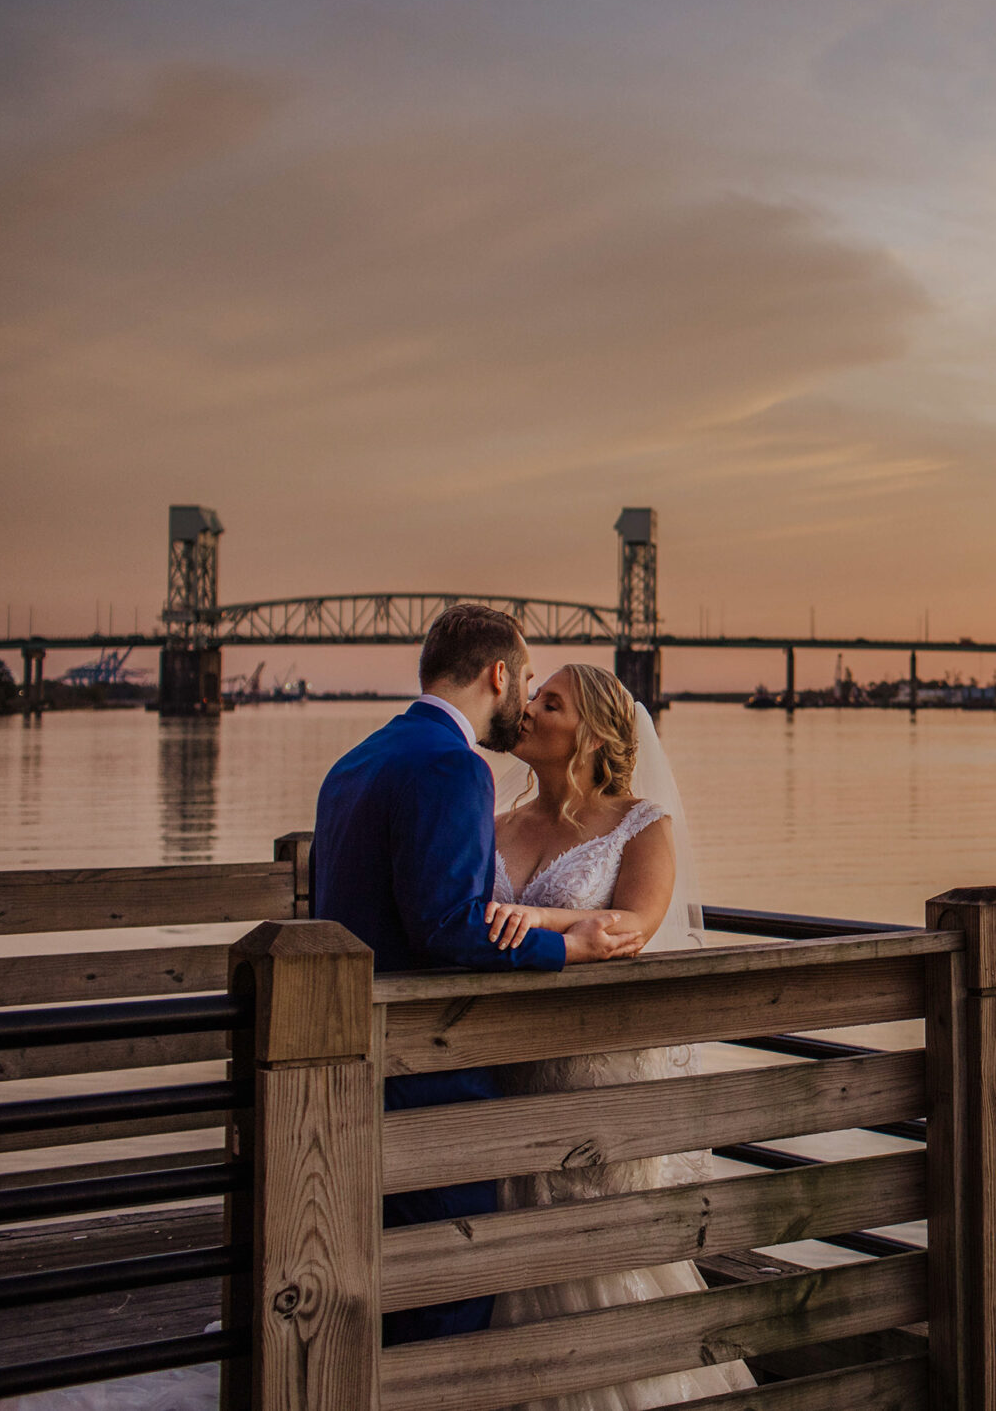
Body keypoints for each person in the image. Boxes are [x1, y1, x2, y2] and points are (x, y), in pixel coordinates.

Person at [314, 604, 646, 1344]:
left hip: (344, 1062)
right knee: (448, 1290)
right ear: (498, 675)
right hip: (428, 1075)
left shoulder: (356, 762)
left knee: (374, 1283)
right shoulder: (453, 766)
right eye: (527, 681)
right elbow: (444, 925)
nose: (526, 701)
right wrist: (568, 948)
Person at [477, 662, 749, 1410]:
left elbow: (632, 926)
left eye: (549, 702)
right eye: (533, 696)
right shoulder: (493, 824)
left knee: (593, 1257)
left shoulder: (640, 824)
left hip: (594, 1077)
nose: (526, 709)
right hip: (502, 1072)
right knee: (507, 1250)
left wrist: (542, 920)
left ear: (592, 734)